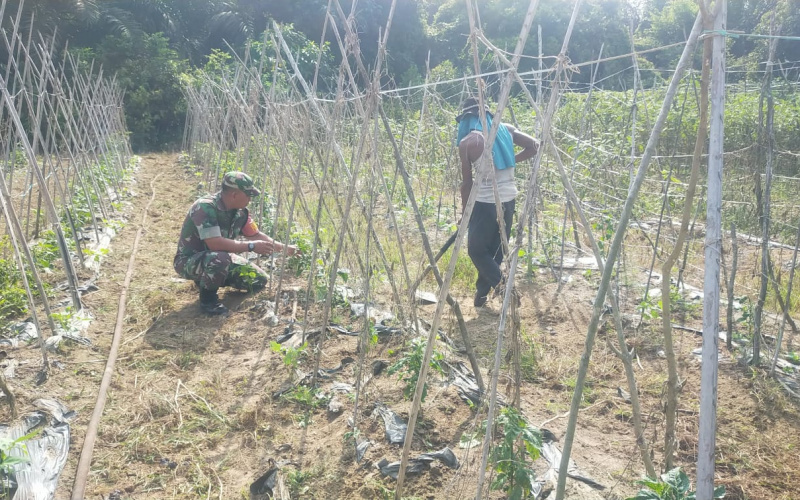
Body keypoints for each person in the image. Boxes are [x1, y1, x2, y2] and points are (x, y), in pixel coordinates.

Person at [173, 171, 298, 315]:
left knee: (258, 280)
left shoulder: (241, 213)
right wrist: (251, 247)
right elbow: (215, 244)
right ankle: (208, 301)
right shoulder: (205, 207)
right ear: (234, 194)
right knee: (220, 258)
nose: (250, 199)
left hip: (217, 259)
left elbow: (255, 234)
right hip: (189, 261)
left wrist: (285, 249)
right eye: (248, 195)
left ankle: (210, 278)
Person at [457, 97, 538, 307]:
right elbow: (533, 146)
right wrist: (510, 160)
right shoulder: (506, 129)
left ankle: (505, 290)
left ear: (467, 118)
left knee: (476, 251)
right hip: (509, 199)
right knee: (494, 251)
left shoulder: (468, 143)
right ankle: (481, 296)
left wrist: (464, 215)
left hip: (485, 203)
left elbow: (467, 184)